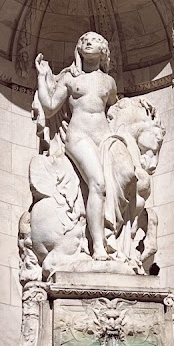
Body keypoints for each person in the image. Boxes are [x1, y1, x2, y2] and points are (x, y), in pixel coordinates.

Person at [34, 32, 117, 261]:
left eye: (95, 39)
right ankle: (98, 246)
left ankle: (112, 237)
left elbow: (115, 111)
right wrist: (42, 77)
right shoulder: (71, 78)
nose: (88, 42)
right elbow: (50, 106)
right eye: (83, 40)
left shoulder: (109, 82)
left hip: (104, 138)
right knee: (98, 183)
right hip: (79, 136)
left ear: (104, 50)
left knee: (121, 180)